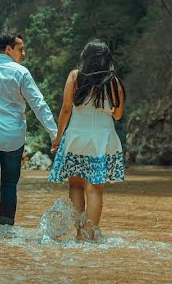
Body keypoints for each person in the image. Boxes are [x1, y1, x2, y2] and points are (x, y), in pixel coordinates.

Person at [0, 33, 59, 237]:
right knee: (9, 184)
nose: (23, 53)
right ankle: (6, 230)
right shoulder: (21, 72)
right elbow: (38, 104)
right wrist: (54, 132)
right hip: (13, 139)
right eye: (20, 49)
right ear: (8, 49)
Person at [49, 40, 126, 240]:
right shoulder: (114, 82)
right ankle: (90, 235)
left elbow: (66, 109)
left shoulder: (75, 76)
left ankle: (78, 235)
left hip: (77, 136)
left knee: (76, 185)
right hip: (102, 138)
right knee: (95, 188)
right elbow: (118, 115)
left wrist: (58, 138)